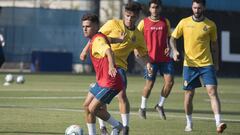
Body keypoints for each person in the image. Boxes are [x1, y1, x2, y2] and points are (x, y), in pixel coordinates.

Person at [80, 2, 152, 135]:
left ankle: (124, 127)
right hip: (104, 66)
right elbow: (99, 37)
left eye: (132, 16)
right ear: (124, 14)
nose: (129, 19)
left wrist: (148, 64)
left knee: (120, 95)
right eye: (127, 15)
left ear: (137, 17)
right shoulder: (113, 23)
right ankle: (104, 127)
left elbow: (143, 53)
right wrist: (85, 50)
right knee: (90, 105)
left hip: (118, 68)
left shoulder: (138, 36)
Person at [170, 0, 227, 133]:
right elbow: (172, 38)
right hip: (189, 65)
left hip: (207, 64)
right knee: (189, 94)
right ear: (192, 7)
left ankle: (219, 123)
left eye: (199, 8)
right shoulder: (184, 22)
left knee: (212, 92)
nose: (196, 10)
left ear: (204, 8)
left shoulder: (210, 25)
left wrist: (216, 62)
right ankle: (189, 122)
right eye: (195, 7)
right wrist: (175, 50)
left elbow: (214, 45)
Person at [81, 13, 124, 135]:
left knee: (92, 108)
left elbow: (108, 51)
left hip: (111, 83)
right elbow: (108, 39)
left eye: (88, 26)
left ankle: (117, 126)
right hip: (102, 82)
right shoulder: (98, 37)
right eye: (83, 26)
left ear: (95, 26)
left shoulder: (98, 40)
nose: (84, 29)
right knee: (86, 106)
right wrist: (119, 39)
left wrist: (111, 65)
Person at [137, 0, 174, 120]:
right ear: (149, 9)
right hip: (150, 59)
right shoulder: (144, 22)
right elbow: (136, 37)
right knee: (150, 84)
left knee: (170, 82)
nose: (155, 9)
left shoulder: (165, 22)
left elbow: (169, 38)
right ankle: (142, 107)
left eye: (157, 7)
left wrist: (169, 47)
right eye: (153, 7)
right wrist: (136, 50)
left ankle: (160, 105)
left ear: (160, 9)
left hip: (164, 59)